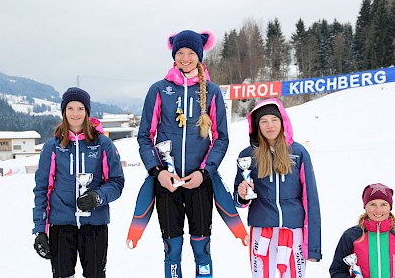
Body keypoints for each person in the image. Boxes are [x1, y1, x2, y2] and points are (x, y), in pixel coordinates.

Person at [136, 30, 229, 278]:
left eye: (190, 53)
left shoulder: (212, 91)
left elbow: (221, 138)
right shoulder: (158, 90)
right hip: (168, 184)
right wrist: (158, 171)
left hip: (199, 183)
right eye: (180, 53)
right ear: (173, 55)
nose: (185, 58)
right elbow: (145, 136)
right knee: (172, 249)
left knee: (202, 248)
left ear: (199, 56)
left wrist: (205, 171)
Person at [32, 87, 125, 278]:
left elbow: (117, 182)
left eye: (80, 108)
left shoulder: (102, 144)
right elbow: (42, 189)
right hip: (61, 225)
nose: (75, 113)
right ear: (64, 112)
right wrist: (40, 230)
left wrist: (97, 197)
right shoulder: (53, 147)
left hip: (95, 224)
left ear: (87, 112)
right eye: (70, 108)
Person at [233, 98, 322, 278]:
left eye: (274, 120)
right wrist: (242, 195)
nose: (270, 125)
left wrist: (313, 247)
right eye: (263, 121)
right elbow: (238, 199)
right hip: (261, 228)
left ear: (283, 122)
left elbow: (311, 198)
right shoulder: (247, 155)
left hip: (293, 230)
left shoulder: (298, 153)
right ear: (257, 126)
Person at [329, 183, 395, 277]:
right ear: (365, 206)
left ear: (390, 207)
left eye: (383, 205)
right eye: (372, 204)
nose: (378, 210)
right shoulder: (351, 236)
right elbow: (337, 270)